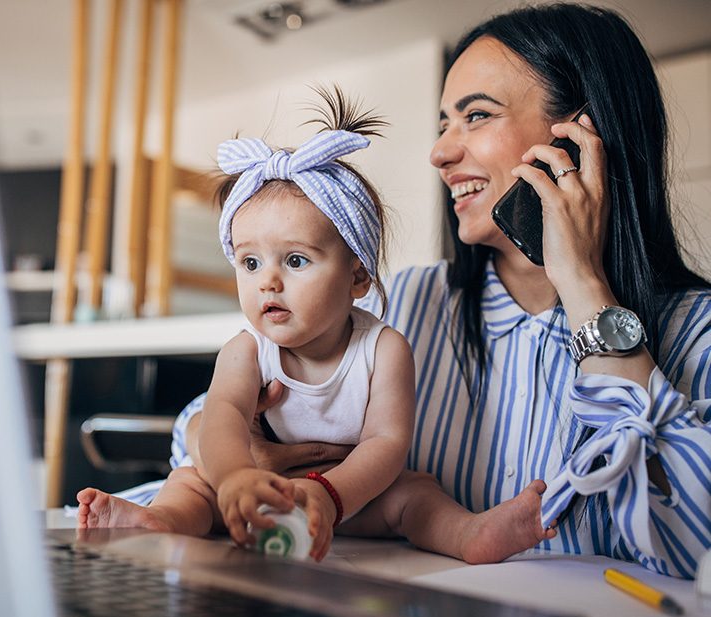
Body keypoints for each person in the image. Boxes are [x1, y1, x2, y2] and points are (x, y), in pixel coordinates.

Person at [111, 4, 711, 579]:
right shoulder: (411, 301)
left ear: (581, 137)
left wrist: (584, 286)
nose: (441, 152)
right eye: (444, 123)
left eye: (476, 116)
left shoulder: (696, 330)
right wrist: (249, 453)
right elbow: (199, 425)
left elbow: (696, 544)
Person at [78, 90, 555, 562]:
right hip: (247, 492)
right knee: (190, 484)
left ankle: (470, 535)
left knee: (415, 495)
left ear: (357, 275)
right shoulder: (247, 351)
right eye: (249, 262)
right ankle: (160, 521)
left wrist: (329, 495)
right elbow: (220, 418)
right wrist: (235, 478)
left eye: (296, 259)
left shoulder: (384, 348)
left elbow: (386, 444)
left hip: (347, 495)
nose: (267, 281)